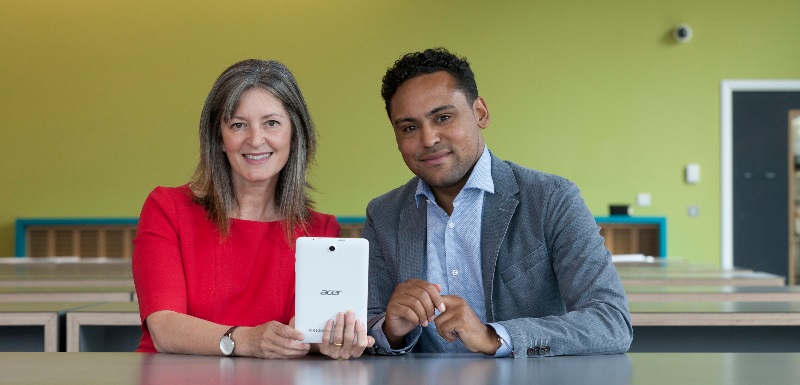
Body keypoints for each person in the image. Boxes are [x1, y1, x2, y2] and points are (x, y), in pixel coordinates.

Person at [364, 48, 633, 358]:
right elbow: (371, 325)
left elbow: (611, 322)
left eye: (443, 117)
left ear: (480, 113)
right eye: (409, 128)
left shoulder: (552, 199)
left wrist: (494, 337)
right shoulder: (383, 214)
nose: (428, 139)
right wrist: (390, 331)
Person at [133, 59, 373, 359]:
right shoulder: (168, 209)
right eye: (238, 125)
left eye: (271, 123)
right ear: (218, 138)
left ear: (294, 133)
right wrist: (245, 340)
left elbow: (305, 331)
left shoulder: (321, 231)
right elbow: (163, 328)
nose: (256, 139)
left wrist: (328, 339)